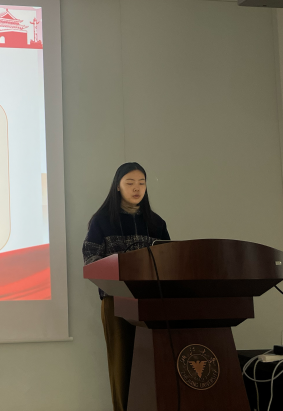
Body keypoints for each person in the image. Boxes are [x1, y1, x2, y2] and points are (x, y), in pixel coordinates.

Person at [82, 162, 170, 411]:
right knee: (122, 366)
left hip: (152, 302)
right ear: (118, 187)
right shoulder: (102, 221)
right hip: (117, 301)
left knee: (153, 365)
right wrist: (120, 269)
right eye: (130, 183)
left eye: (141, 183)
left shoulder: (156, 222)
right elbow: (91, 260)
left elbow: (170, 259)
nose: (136, 188)